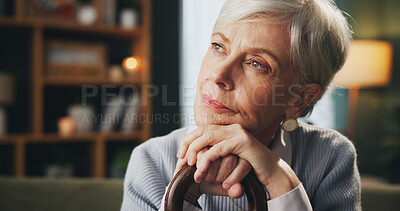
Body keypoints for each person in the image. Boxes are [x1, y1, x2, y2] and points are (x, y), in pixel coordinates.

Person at [121, 0, 361, 210]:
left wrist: (280, 180)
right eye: (218, 46)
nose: (218, 74)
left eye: (257, 63)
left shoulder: (331, 158)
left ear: (299, 99)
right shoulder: (151, 161)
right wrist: (181, 198)